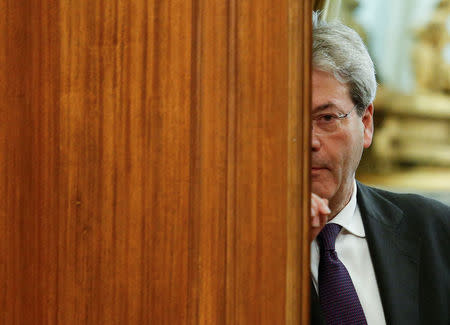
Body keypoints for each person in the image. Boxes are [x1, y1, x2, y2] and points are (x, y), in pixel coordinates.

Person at [309, 12, 449, 325]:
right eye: (289, 120)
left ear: (367, 123)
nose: (309, 141)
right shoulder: (239, 253)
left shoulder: (436, 231)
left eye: (327, 118)